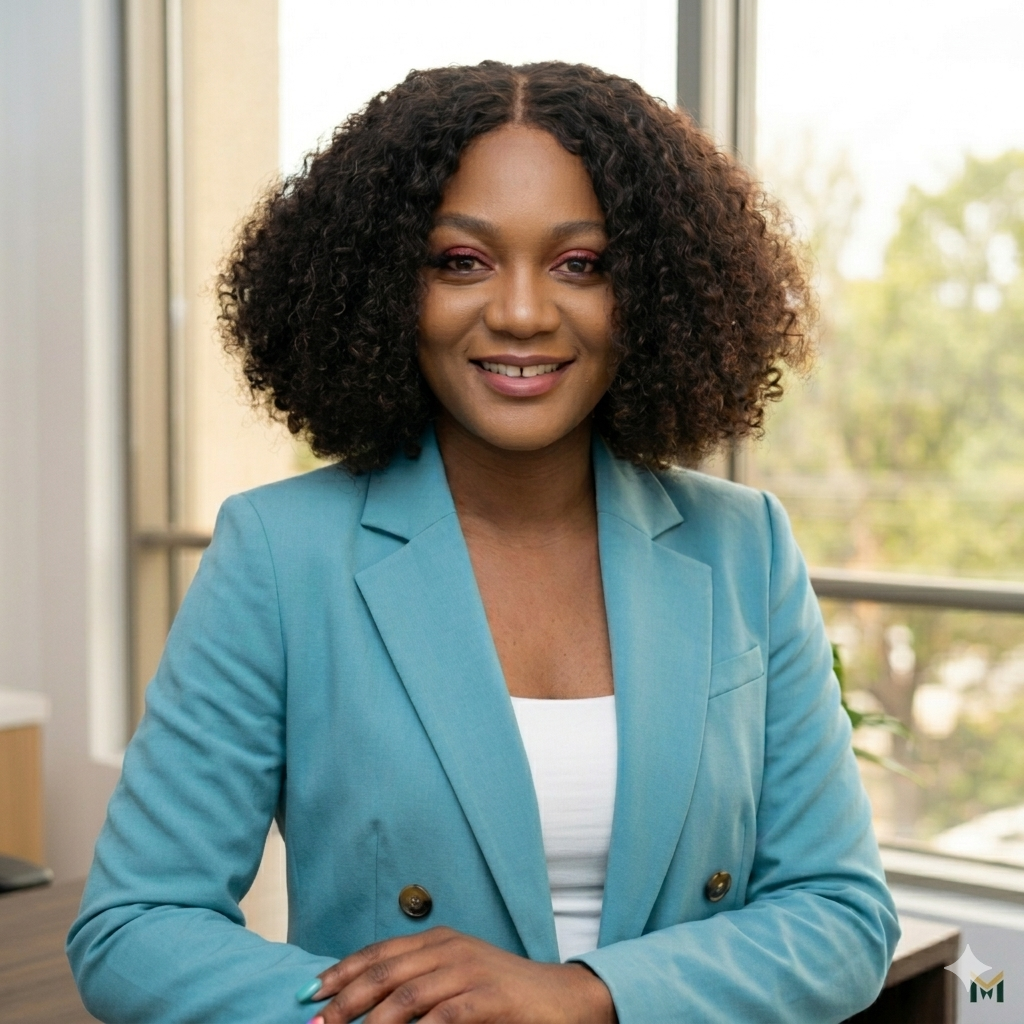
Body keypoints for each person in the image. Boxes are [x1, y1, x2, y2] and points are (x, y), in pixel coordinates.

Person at [68, 61, 899, 1024]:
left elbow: (840, 916)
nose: (519, 312)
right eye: (461, 261)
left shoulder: (742, 545)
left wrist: (583, 996)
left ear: (654, 296)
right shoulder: (279, 552)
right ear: (383, 286)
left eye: (580, 264)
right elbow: (134, 926)